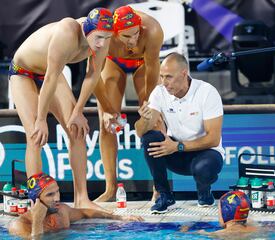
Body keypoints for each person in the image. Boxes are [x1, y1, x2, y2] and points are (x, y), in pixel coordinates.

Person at [9, 8, 116, 211]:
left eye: (107, 38)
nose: (102, 43)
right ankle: (37, 203)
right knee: (35, 135)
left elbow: (92, 75)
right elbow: (49, 78)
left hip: (53, 75)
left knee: (77, 131)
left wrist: (78, 112)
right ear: (87, 29)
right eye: (99, 37)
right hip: (24, 72)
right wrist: (41, 119)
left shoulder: (103, 35)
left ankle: (82, 198)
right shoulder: (68, 31)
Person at [134, 52, 224, 213]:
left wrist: (177, 146)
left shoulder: (206, 92)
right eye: (161, 77)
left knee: (204, 168)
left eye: (168, 77)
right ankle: (164, 195)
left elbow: (213, 139)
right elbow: (141, 132)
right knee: (150, 138)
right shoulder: (159, 92)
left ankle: (204, 192)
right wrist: (145, 119)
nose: (164, 82)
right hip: (175, 152)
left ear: (184, 73)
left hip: (205, 153)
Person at [95, 5, 164, 202]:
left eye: (136, 34)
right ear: (114, 33)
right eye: (126, 37)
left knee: (154, 120)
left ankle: (158, 188)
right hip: (113, 61)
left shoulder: (152, 31)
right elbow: (92, 78)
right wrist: (107, 110)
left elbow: (152, 71)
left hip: (143, 63)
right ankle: (110, 189)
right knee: (106, 123)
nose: (133, 40)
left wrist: (149, 103)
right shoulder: (103, 36)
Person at [7, 172, 143, 239]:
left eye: (57, 191)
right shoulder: (19, 225)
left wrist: (119, 218)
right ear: (36, 199)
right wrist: (37, 222)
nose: (57, 198)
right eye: (50, 195)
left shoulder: (62, 210)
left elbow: (86, 213)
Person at [180, 191, 257, 237]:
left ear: (226, 212)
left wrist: (184, 229)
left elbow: (183, 236)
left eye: (219, 210)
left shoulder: (216, 234)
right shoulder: (255, 228)